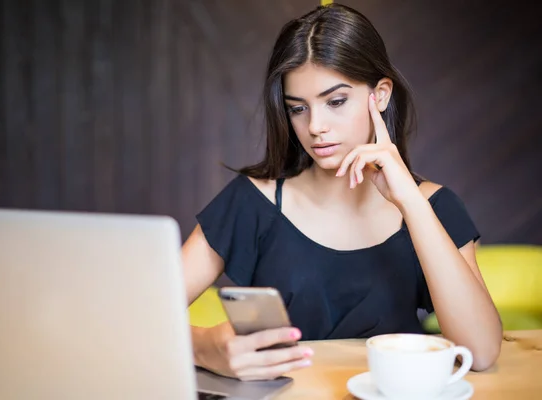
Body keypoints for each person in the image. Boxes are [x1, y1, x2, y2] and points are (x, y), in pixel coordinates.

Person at [182, 3, 502, 381]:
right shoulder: (251, 202)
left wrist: (410, 203)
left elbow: (479, 352)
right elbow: (131, 319)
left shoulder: (434, 206)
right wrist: (203, 347)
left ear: (380, 95)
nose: (316, 126)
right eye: (298, 108)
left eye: (335, 102)